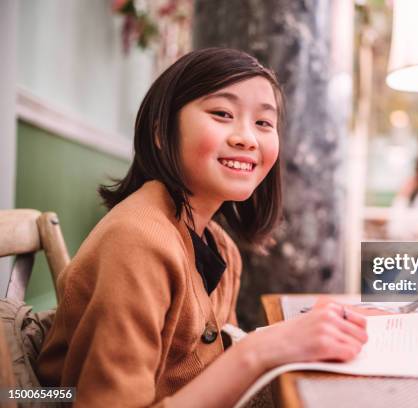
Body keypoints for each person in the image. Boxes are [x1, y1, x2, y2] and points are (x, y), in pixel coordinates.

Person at [36, 48, 367, 407]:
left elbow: (211, 363)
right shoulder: (136, 242)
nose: (248, 138)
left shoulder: (219, 245)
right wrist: (255, 351)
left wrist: (300, 332)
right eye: (222, 114)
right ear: (162, 132)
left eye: (263, 123)